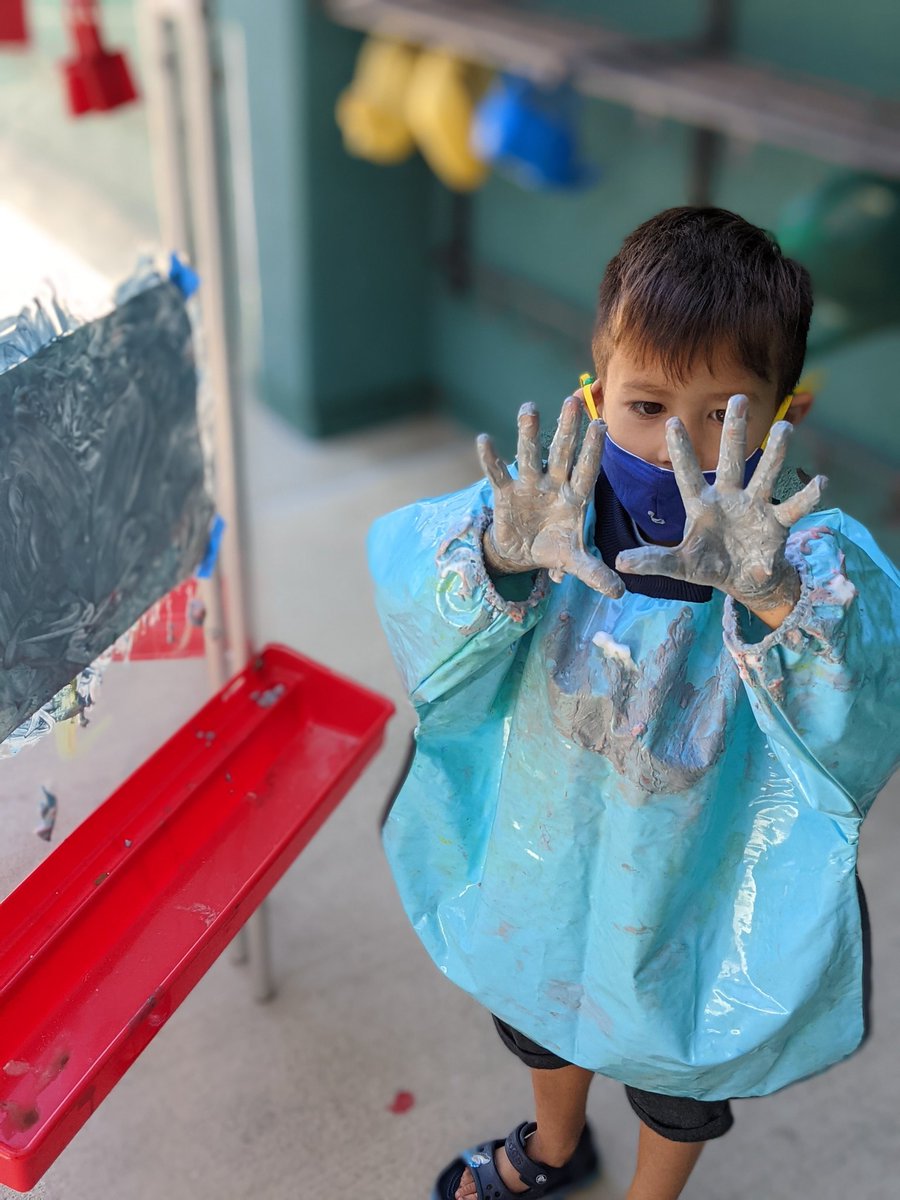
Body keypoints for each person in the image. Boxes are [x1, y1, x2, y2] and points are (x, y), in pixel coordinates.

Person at [367, 207, 900, 1200]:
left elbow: (866, 686)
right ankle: (558, 1145)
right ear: (594, 386)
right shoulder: (543, 516)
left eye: (723, 415)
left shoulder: (802, 556)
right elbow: (416, 590)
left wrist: (777, 595)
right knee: (539, 999)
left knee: (676, 1066)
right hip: (550, 844)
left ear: (788, 414)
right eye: (646, 406)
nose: (675, 448)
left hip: (695, 869)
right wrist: (495, 558)